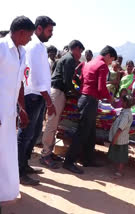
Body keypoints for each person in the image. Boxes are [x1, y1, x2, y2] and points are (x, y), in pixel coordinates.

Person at [63, 45, 117, 174]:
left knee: (90, 132)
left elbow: (81, 80)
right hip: (90, 100)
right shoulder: (102, 65)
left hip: (85, 98)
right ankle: (69, 161)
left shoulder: (88, 63)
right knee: (82, 132)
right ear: (108, 55)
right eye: (112, 59)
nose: (111, 63)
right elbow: (101, 88)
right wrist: (110, 99)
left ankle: (88, 159)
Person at [17, 16, 56, 186]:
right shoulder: (34, 47)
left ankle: (25, 165)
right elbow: (34, 77)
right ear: (39, 29)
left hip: (39, 96)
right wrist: (49, 100)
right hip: (33, 96)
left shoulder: (39, 47)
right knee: (25, 135)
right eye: (49, 30)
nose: (51, 34)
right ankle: (19, 171)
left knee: (33, 134)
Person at [0, 15, 34, 204]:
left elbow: (19, 83)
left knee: (6, 152)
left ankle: (6, 192)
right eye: (29, 35)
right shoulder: (2, 48)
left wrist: (21, 109)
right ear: (21, 33)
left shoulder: (22, 52)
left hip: (10, 112)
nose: (30, 39)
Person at [40, 40, 85, 168]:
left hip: (58, 92)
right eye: (80, 51)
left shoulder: (66, 58)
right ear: (76, 48)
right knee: (52, 123)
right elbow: (67, 81)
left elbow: (72, 77)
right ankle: (45, 155)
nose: (79, 54)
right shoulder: (69, 59)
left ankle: (49, 151)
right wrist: (77, 93)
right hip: (58, 91)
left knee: (54, 124)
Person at [108, 95, 135, 176]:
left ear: (126, 103)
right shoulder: (124, 111)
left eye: (122, 101)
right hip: (119, 138)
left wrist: (115, 138)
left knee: (121, 155)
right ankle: (117, 168)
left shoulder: (126, 115)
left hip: (120, 138)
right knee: (118, 154)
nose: (121, 102)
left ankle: (120, 170)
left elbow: (120, 128)